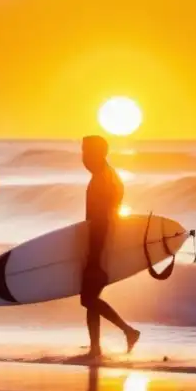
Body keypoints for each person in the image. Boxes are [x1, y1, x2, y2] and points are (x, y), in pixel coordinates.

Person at [80, 134, 140, 357]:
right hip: (102, 246)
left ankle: (128, 331)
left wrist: (94, 259)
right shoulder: (108, 175)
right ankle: (95, 348)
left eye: (86, 152)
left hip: (100, 248)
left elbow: (102, 222)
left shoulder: (101, 181)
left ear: (98, 154)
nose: (83, 158)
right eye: (82, 152)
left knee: (88, 298)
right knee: (90, 297)